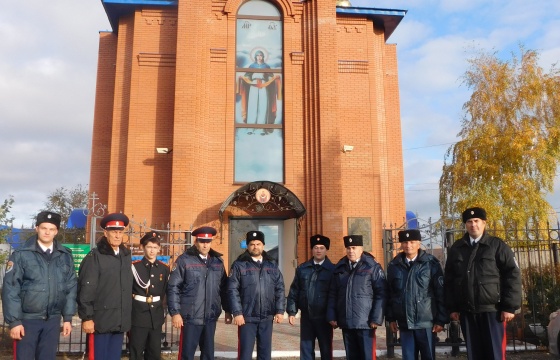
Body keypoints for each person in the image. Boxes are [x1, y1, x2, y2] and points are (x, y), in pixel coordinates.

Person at [444, 207, 522, 360]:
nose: (473, 225)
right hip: (467, 311)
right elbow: (450, 280)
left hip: (493, 311)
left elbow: (512, 274)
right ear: (465, 225)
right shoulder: (457, 248)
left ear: (484, 223)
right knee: (474, 354)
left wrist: (509, 306)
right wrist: (452, 307)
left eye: (476, 221)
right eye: (469, 222)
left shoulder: (497, 246)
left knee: (495, 353)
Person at [2, 211, 77, 360]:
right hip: (27, 320)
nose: (47, 232)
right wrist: (15, 321)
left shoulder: (65, 255)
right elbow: (11, 289)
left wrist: (67, 318)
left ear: (56, 231)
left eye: (51, 229)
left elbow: (70, 288)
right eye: (44, 228)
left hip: (52, 320)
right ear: (37, 228)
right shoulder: (21, 254)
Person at [167, 226, 231, 360]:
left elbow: (224, 288)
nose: (205, 245)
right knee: (187, 354)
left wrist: (228, 310)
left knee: (208, 354)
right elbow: (173, 287)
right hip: (190, 316)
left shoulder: (218, 262)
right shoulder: (184, 260)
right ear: (196, 242)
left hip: (210, 316)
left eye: (208, 242)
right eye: (202, 241)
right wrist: (175, 313)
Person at [77, 212, 133, 360]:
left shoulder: (125, 256)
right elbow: (86, 288)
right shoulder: (95, 256)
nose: (117, 236)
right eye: (114, 232)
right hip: (100, 321)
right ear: (105, 233)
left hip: (119, 320)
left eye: (120, 232)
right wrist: (87, 317)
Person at [386, 229, 448, 360]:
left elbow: (440, 292)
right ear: (401, 244)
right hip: (405, 323)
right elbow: (390, 293)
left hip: (426, 323)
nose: (408, 245)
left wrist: (441, 320)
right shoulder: (394, 265)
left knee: (428, 356)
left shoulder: (431, 264)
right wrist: (391, 318)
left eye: (412, 242)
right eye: (405, 242)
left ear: (419, 243)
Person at [326, 234, 387, 360]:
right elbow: (333, 293)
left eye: (354, 248)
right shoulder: (340, 267)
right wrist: (332, 315)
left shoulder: (372, 266)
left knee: (367, 356)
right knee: (351, 356)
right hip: (347, 321)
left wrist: (376, 318)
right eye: (348, 248)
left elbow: (381, 293)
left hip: (366, 322)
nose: (351, 251)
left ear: (361, 249)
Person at [228, 230, 285, 360]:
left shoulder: (272, 264)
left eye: (258, 244)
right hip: (247, 317)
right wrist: (237, 313)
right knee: (245, 353)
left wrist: (280, 310)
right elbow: (232, 290)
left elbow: (280, 288)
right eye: (252, 244)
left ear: (263, 245)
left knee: (265, 353)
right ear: (248, 246)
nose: (255, 247)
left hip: (267, 316)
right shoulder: (239, 265)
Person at [287, 234, 335, 360]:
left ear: (326, 250)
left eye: (321, 248)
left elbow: (335, 295)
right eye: (315, 247)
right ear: (312, 250)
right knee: (306, 349)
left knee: (326, 349)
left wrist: (334, 315)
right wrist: (292, 311)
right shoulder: (303, 268)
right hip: (307, 316)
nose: (318, 250)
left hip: (325, 318)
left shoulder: (333, 270)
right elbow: (294, 290)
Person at [130, 231, 170, 360]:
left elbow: (164, 291)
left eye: (155, 247)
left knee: (154, 352)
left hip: (156, 316)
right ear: (142, 247)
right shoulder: (134, 267)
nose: (152, 250)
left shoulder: (164, 268)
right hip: (138, 315)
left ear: (159, 249)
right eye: (149, 247)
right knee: (136, 351)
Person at [237, 49, 281, 128]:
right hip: (253, 86)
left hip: (263, 86)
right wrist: (243, 78)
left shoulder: (266, 66)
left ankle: (262, 128)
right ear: (255, 57)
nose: (259, 57)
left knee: (263, 105)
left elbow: (271, 76)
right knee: (252, 105)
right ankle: (251, 127)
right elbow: (247, 75)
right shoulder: (252, 66)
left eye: (261, 55)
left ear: (263, 57)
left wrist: (274, 77)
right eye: (258, 55)